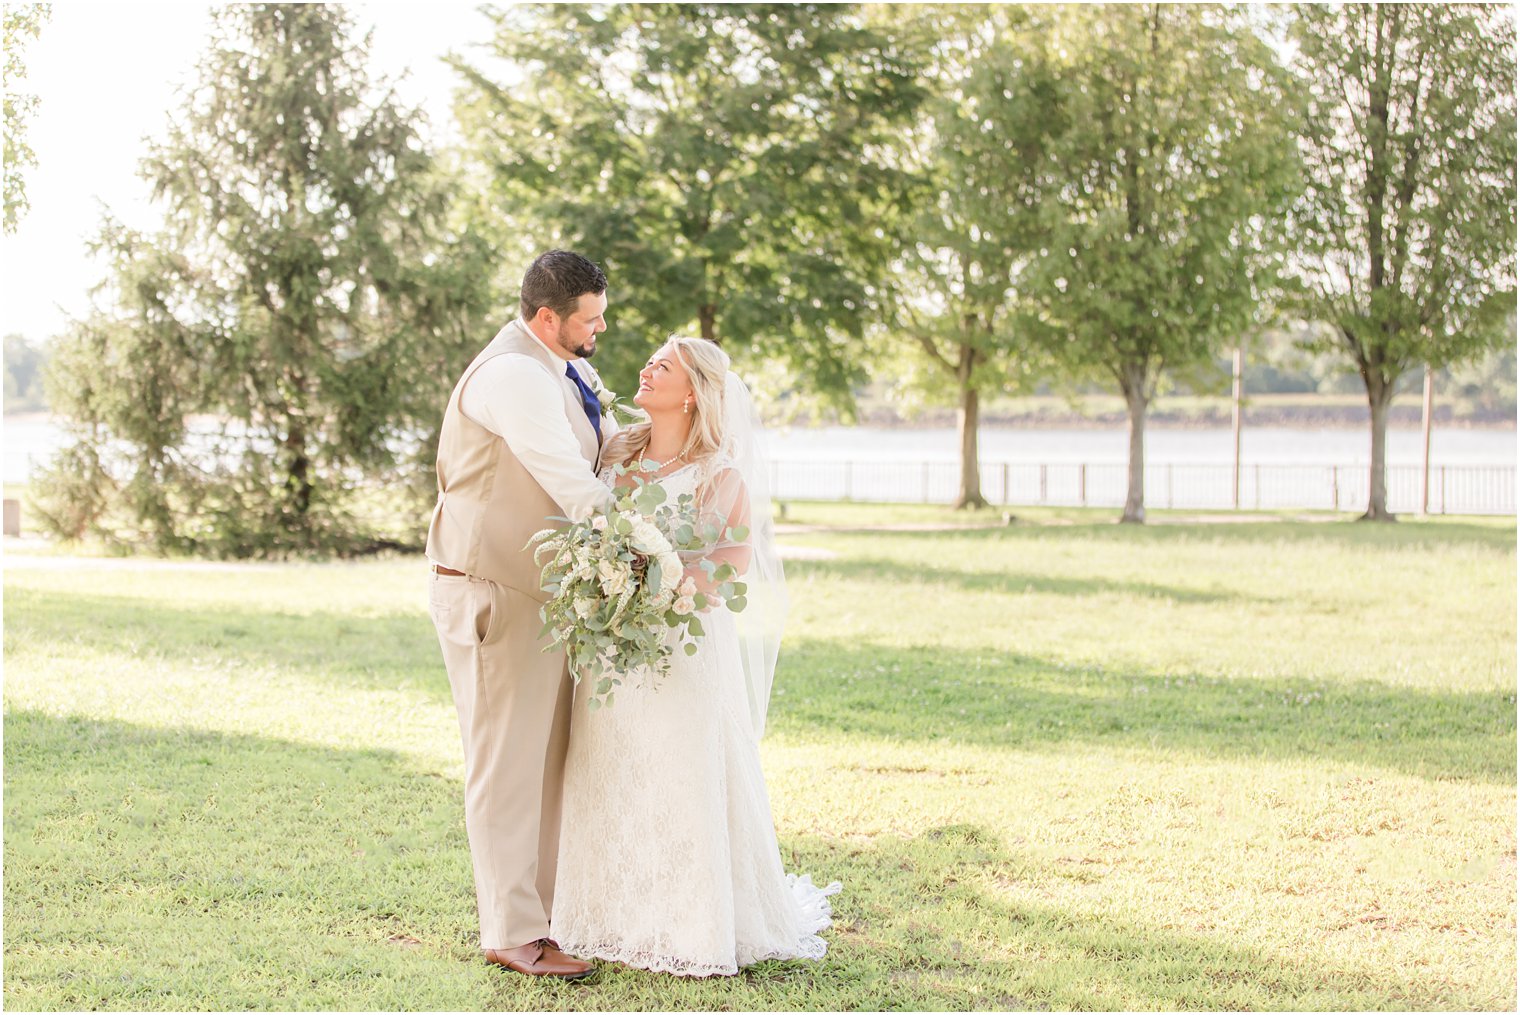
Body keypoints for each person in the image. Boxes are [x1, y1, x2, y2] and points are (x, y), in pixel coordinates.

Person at [551, 336, 841, 977]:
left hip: (679, 648)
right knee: (609, 767)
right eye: (650, 361)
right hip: (612, 645)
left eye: (664, 366)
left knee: (679, 772)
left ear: (692, 392)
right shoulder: (616, 455)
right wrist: (606, 588)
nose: (647, 370)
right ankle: (607, 916)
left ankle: (690, 924)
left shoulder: (718, 473)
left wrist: (665, 590)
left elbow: (729, 569)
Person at [425, 250, 616, 980]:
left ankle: (542, 919)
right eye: (590, 317)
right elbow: (567, 477)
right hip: (492, 591)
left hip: (542, 595)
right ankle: (510, 930)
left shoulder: (564, 369)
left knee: (545, 762)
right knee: (507, 765)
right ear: (547, 317)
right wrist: (638, 544)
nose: (601, 326)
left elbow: (598, 452)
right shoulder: (512, 375)